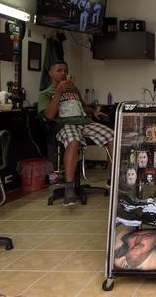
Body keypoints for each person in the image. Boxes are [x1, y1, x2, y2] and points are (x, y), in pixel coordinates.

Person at [38, 61, 114, 206]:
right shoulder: (46, 93)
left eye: (65, 70)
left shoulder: (73, 89)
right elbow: (48, 115)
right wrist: (59, 92)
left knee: (113, 136)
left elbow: (83, 107)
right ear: (51, 73)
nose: (63, 73)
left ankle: (113, 178)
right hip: (65, 124)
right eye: (59, 70)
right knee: (73, 141)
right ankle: (69, 189)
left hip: (85, 123)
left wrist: (94, 112)